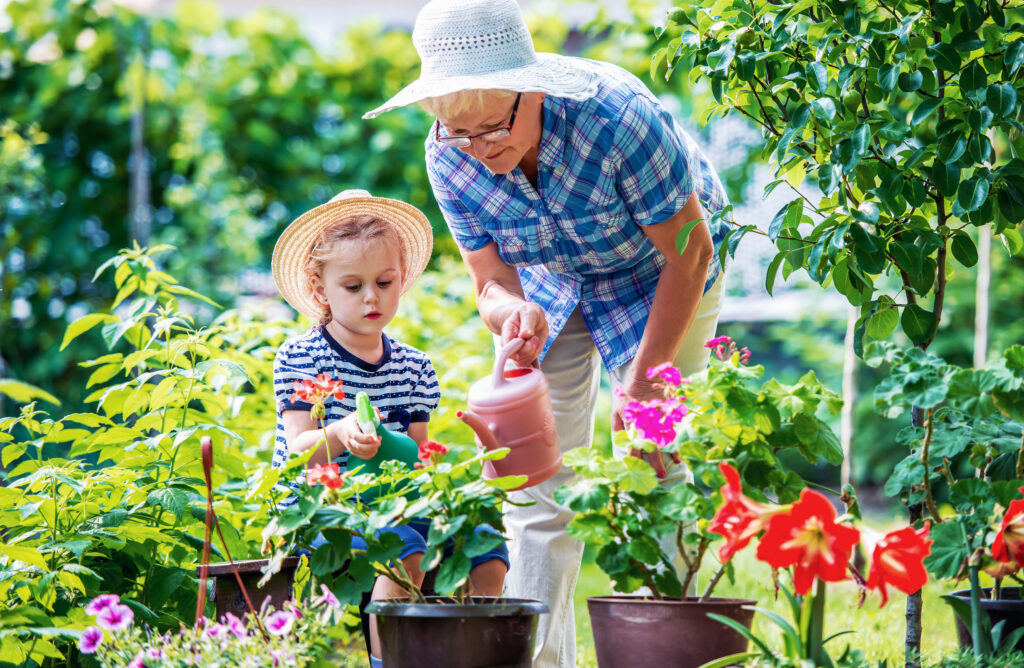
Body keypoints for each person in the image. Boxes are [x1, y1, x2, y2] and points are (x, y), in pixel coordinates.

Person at [363, 1, 731, 666]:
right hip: (556, 280)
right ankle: (540, 661)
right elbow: (490, 282)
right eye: (458, 131)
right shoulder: (449, 156)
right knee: (532, 479)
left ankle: (677, 653)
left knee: (660, 457)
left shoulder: (615, 118)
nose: (479, 148)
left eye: (493, 127)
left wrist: (647, 382)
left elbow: (689, 253)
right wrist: (511, 315)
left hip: (665, 272)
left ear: (532, 89)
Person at [269, 189, 509, 667]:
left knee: (486, 543)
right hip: (324, 508)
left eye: (384, 281)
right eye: (353, 287)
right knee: (404, 547)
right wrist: (339, 435)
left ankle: (471, 652)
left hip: (396, 501)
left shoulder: (414, 368)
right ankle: (390, 661)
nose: (372, 297)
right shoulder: (302, 357)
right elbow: (298, 449)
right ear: (322, 291)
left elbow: (418, 459)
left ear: (403, 279)